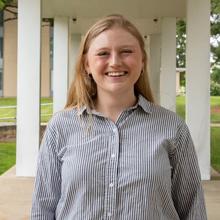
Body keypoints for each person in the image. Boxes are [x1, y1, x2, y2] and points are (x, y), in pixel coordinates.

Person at [31, 14, 207, 219]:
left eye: (126, 52)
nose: (115, 62)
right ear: (87, 64)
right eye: (103, 53)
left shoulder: (172, 127)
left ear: (142, 61)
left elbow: (193, 208)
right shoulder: (60, 126)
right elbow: (43, 209)